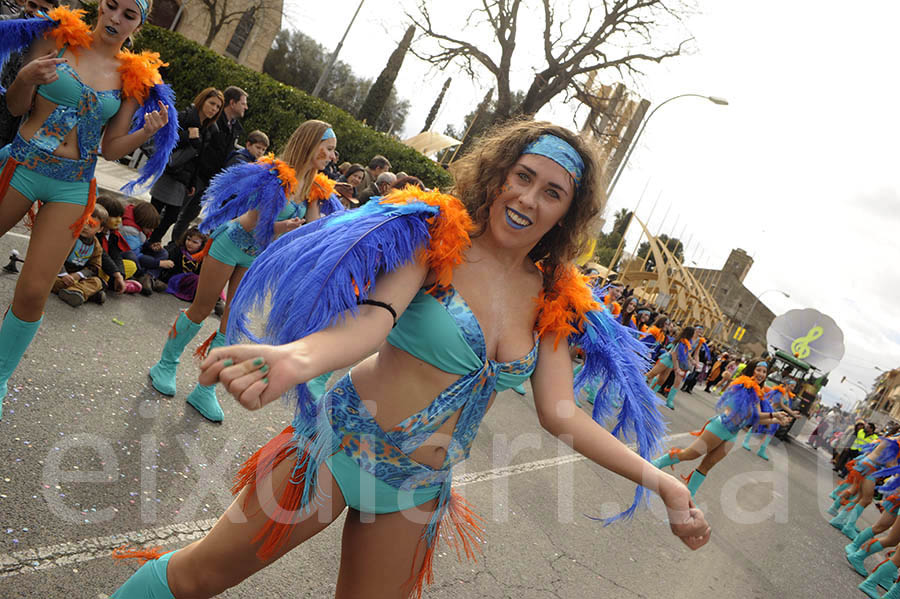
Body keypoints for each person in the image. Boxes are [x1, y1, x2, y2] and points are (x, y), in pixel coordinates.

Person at [111, 120, 710, 598]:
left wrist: (661, 482)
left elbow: (561, 413)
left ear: (569, 213)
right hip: (338, 447)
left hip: (419, 488)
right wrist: (297, 358)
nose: (528, 198)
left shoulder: (554, 298)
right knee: (196, 579)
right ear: (499, 174)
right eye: (522, 176)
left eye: (551, 191)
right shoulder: (436, 238)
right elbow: (371, 323)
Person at [0, 3, 176, 420]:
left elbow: (110, 147)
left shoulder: (133, 78)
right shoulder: (56, 38)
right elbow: (14, 106)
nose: (117, 18)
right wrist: (25, 78)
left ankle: (1, 374)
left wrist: (144, 133)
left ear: (140, 23)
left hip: (73, 184)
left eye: (130, 14)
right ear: (100, 6)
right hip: (22, 166)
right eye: (112, 5)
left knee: (32, 290)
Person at [147, 119, 343, 423]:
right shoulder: (273, 175)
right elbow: (250, 222)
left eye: (333, 151)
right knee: (201, 310)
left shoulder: (315, 188)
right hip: (231, 244)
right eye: (328, 148)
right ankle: (165, 364)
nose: (332, 156)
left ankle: (205, 389)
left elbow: (313, 230)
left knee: (232, 322)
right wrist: (283, 228)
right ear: (311, 143)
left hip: (255, 257)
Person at [652, 360, 791, 496]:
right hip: (720, 427)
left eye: (764, 371)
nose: (761, 374)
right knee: (690, 454)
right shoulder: (743, 386)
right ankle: (655, 465)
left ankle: (689, 496)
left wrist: (776, 419)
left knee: (707, 466)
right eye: (758, 370)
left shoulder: (756, 392)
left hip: (732, 434)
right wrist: (774, 415)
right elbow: (752, 414)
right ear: (751, 370)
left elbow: (754, 417)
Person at [171, 85, 248, 243]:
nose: (246, 107)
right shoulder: (212, 122)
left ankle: (175, 247)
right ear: (232, 103)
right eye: (243, 103)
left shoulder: (233, 128)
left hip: (210, 180)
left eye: (217, 106)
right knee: (174, 212)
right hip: (195, 175)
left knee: (189, 216)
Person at [148, 87, 224, 245]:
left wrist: (192, 183)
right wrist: (187, 136)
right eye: (212, 103)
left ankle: (151, 242)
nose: (214, 109)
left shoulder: (208, 129)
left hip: (184, 178)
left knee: (171, 216)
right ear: (202, 101)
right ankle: (144, 242)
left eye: (218, 107)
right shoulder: (185, 117)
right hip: (171, 170)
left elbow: (198, 159)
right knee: (155, 212)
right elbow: (165, 139)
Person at [0, 0, 60, 147]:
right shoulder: (4, 25)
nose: (35, 13)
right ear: (25, 2)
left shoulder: (53, 42)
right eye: (32, 5)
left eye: (43, 10)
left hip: (21, 129)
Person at [53, 203, 107, 306]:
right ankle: (84, 293)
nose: (85, 227)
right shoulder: (69, 236)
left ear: (100, 229)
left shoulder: (96, 246)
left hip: (76, 277)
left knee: (97, 282)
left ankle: (75, 292)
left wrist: (77, 275)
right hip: (58, 272)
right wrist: (64, 274)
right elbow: (55, 255)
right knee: (49, 280)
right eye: (84, 221)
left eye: (91, 225)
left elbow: (94, 267)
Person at [741, 377, 801, 460]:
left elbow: (787, 407)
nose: (792, 388)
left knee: (772, 430)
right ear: (786, 384)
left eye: (794, 387)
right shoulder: (780, 392)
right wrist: (792, 414)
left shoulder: (789, 395)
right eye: (791, 386)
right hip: (770, 410)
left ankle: (762, 449)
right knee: (758, 423)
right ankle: (746, 441)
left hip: (778, 413)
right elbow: (782, 405)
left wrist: (792, 414)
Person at [159, 226, 207, 302]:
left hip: (190, 283)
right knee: (196, 279)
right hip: (174, 278)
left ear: (201, 245)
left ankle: (215, 301)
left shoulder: (203, 258)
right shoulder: (178, 249)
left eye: (194, 242)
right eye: (188, 239)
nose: (190, 243)